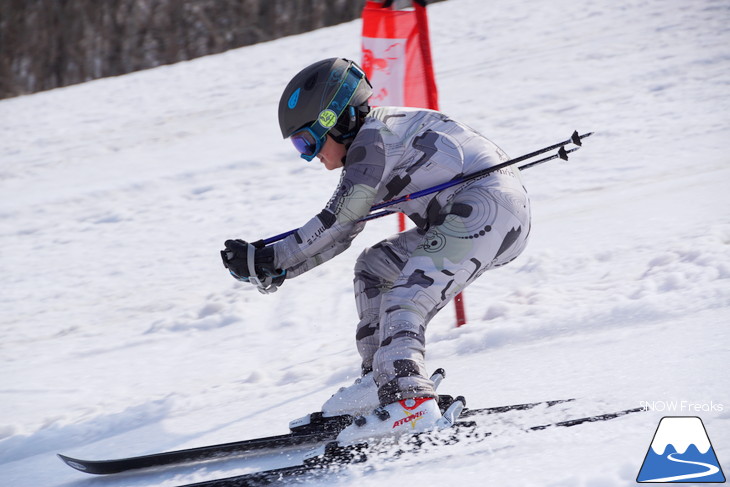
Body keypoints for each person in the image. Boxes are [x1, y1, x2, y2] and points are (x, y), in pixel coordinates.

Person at [220, 58, 531, 445]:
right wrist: (276, 267)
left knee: (406, 295)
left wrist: (271, 258)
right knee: (376, 267)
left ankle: (410, 400)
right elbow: (342, 231)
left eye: (307, 142)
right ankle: (379, 382)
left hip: (483, 211)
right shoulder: (373, 137)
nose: (308, 155)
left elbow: (338, 220)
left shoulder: (372, 140)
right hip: (474, 214)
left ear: (337, 120)